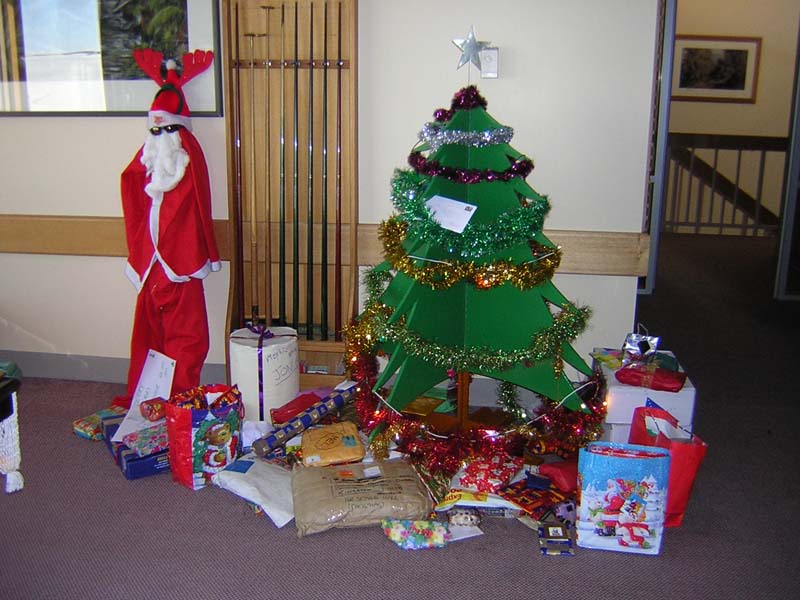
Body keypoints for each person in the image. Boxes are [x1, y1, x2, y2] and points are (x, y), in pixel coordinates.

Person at [111, 48, 221, 410]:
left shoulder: (187, 158)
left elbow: (199, 211)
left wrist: (205, 256)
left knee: (187, 339)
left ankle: (179, 402)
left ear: (180, 130)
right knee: (147, 337)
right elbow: (132, 192)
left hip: (182, 267)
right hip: (150, 269)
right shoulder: (145, 164)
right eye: (155, 128)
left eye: (167, 127)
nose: (160, 135)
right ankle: (144, 397)